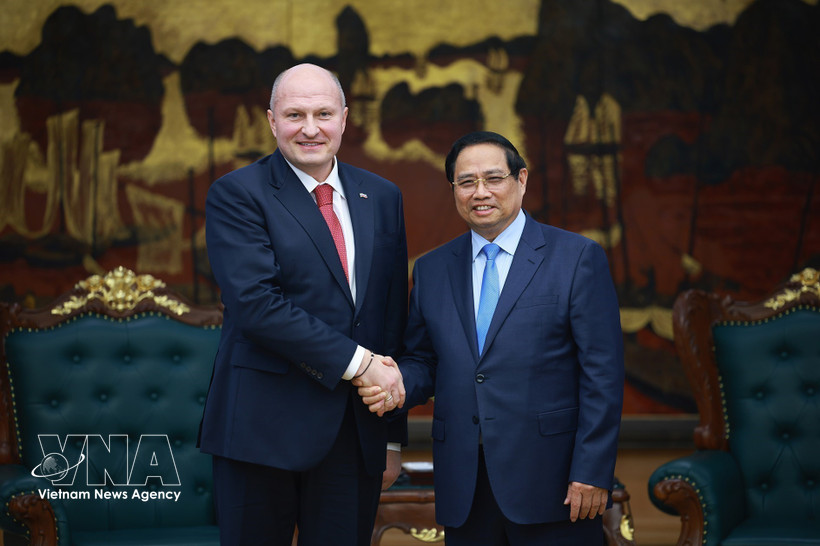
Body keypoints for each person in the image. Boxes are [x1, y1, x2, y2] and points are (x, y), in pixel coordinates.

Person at [358, 131, 624, 545]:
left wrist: (591, 470)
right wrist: (394, 385)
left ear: (522, 180)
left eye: (493, 178)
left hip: (554, 481)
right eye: (466, 182)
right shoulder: (432, 269)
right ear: (454, 190)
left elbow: (602, 374)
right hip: (464, 481)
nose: (480, 192)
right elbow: (424, 361)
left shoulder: (576, 258)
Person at [199, 63, 409, 546]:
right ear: (272, 121)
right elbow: (256, 305)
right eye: (295, 115)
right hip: (260, 430)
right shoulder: (237, 193)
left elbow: (390, 316)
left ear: (345, 119)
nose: (310, 128)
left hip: (354, 433)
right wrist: (361, 365)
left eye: (323, 114)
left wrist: (391, 437)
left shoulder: (382, 196)